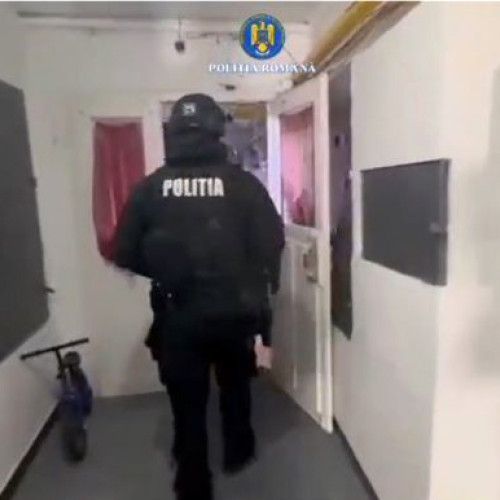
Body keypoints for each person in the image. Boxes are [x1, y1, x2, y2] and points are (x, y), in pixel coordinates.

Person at [113, 93, 284, 500]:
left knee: (186, 401)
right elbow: (272, 242)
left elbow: (124, 251)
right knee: (235, 386)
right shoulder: (243, 185)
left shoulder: (150, 188)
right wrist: (246, 272)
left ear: (173, 132)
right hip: (235, 311)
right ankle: (237, 452)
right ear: (217, 131)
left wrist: (163, 270)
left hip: (178, 314)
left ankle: (193, 480)